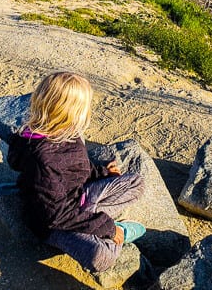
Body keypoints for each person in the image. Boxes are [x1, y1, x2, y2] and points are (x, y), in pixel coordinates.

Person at [8, 72, 146, 273]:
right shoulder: (42, 159)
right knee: (100, 258)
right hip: (57, 224)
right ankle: (117, 232)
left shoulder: (68, 134)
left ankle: (95, 222)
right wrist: (107, 227)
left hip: (81, 198)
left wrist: (102, 173)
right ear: (71, 113)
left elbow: (79, 167)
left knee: (136, 183)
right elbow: (56, 216)